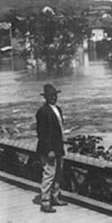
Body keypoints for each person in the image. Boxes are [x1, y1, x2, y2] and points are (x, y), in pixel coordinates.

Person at [35, 83, 68, 213]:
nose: (53, 97)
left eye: (55, 95)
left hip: (58, 146)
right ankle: (45, 202)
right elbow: (42, 133)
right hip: (48, 148)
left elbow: (59, 130)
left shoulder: (58, 109)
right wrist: (49, 150)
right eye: (50, 96)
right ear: (46, 97)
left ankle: (55, 197)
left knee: (58, 172)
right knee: (49, 174)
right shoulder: (42, 112)